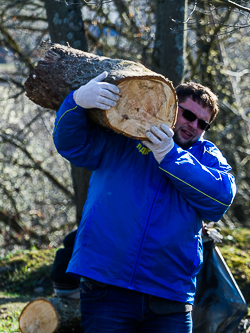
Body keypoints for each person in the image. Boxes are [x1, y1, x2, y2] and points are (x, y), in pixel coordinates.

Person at [52, 71, 236, 333]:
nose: (194, 126)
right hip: (107, 284)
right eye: (188, 115)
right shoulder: (124, 135)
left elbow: (220, 199)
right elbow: (71, 145)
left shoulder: (206, 157)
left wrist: (169, 155)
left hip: (170, 293)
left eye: (203, 124)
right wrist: (77, 102)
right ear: (171, 106)